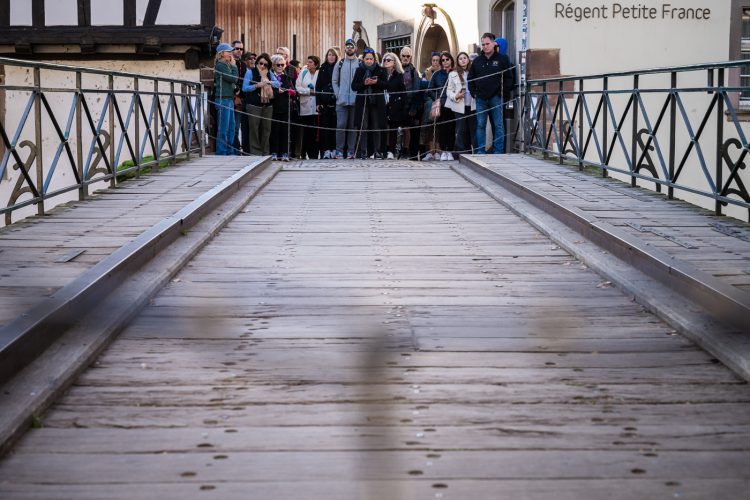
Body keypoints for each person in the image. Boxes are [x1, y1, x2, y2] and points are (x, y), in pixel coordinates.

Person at [468, 33, 512, 154]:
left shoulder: (502, 59)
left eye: (487, 44)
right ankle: (480, 151)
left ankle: (498, 151)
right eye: (483, 44)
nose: (485, 46)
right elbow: (470, 78)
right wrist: (474, 93)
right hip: (480, 98)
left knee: (498, 125)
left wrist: (502, 93)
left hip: (496, 98)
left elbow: (509, 78)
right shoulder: (477, 61)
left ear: (493, 44)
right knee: (481, 125)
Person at [351, 47, 387, 159]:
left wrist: (376, 82)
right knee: (364, 126)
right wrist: (364, 83)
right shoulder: (359, 70)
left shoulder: (381, 70)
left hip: (376, 102)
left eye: (371, 59)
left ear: (374, 59)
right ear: (363, 59)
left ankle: (377, 151)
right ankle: (363, 151)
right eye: (367, 59)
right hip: (363, 102)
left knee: (376, 126)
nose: (369, 61)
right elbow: (354, 86)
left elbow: (385, 85)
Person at [242, 52, 277, 155]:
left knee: (266, 129)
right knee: (254, 129)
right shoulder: (250, 72)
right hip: (253, 104)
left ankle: (265, 152)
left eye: (265, 64)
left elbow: (278, 83)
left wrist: (268, 82)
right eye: (260, 63)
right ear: (257, 63)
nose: (262, 66)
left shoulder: (269, 73)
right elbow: (244, 88)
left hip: (267, 105)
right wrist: (256, 86)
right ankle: (255, 152)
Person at [332, 38, 361, 159]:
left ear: (355, 48)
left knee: (353, 127)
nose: (349, 48)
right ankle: (339, 150)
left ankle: (351, 150)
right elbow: (334, 80)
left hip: (355, 100)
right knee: (341, 125)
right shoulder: (339, 63)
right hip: (342, 101)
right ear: (345, 48)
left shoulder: (359, 63)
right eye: (347, 46)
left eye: (351, 46)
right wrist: (338, 94)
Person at [447, 51, 476, 158]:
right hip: (459, 105)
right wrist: (456, 96)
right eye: (460, 58)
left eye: (465, 58)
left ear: (468, 60)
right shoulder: (453, 74)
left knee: (472, 129)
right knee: (461, 129)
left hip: (473, 104)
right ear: (458, 61)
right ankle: (461, 153)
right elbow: (448, 90)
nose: (463, 60)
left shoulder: (473, 72)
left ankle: (472, 151)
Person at [428, 51, 454, 161]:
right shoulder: (437, 74)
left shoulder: (456, 73)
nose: (445, 62)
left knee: (452, 128)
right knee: (442, 129)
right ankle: (443, 150)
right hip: (442, 105)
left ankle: (450, 151)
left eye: (447, 59)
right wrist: (437, 98)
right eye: (442, 60)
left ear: (451, 60)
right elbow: (429, 90)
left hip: (454, 105)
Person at [213, 43, 238, 155]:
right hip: (222, 99)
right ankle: (222, 152)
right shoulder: (220, 65)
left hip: (229, 99)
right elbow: (234, 79)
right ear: (222, 53)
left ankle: (229, 150)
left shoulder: (226, 64)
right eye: (228, 51)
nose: (230, 53)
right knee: (223, 128)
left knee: (231, 127)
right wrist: (234, 66)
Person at [270, 54, 295, 161]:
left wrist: (286, 91)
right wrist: (277, 91)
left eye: (282, 65)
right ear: (273, 66)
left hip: (285, 107)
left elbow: (293, 91)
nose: (280, 67)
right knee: (274, 130)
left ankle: (285, 152)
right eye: (278, 65)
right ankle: (274, 152)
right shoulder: (271, 77)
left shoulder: (286, 77)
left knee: (285, 131)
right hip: (274, 107)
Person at [315, 47, 340, 159]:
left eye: (333, 55)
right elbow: (318, 86)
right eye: (329, 55)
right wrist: (318, 102)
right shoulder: (323, 68)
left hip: (336, 102)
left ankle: (335, 149)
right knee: (325, 128)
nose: (331, 57)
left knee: (335, 127)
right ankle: (326, 150)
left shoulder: (339, 67)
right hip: (324, 102)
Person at [381, 52, 406, 159]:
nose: (386, 62)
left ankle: (391, 151)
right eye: (385, 60)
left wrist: (401, 106)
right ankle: (382, 150)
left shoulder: (399, 76)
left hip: (394, 105)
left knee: (393, 129)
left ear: (394, 62)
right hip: (382, 105)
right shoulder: (380, 74)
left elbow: (403, 92)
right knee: (382, 128)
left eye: (389, 60)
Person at [296, 55, 320, 159]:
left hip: (316, 107)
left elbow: (320, 89)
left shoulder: (319, 74)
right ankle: (303, 152)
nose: (308, 64)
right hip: (305, 107)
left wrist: (316, 93)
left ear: (316, 64)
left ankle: (314, 154)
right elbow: (298, 88)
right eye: (308, 62)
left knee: (315, 132)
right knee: (306, 132)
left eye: (310, 62)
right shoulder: (303, 73)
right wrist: (309, 92)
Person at [399, 46, 422, 159]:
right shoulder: (397, 69)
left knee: (410, 130)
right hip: (399, 105)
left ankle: (410, 152)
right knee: (400, 129)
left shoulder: (414, 72)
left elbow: (417, 91)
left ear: (411, 57)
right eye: (404, 56)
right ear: (400, 56)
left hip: (410, 105)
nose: (406, 58)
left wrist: (413, 108)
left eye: (408, 56)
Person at [420, 52, 442, 160]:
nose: (435, 63)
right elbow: (424, 86)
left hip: (440, 102)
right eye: (433, 60)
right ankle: (429, 151)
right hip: (428, 104)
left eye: (437, 60)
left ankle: (438, 150)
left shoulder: (442, 73)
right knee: (428, 127)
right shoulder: (426, 73)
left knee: (438, 127)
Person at [239, 51, 256, 154]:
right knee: (245, 127)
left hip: (253, 102)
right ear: (245, 61)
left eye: (254, 58)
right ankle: (246, 150)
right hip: (244, 101)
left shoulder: (255, 71)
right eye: (250, 58)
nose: (253, 60)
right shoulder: (243, 71)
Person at [231, 40, 245, 152]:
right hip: (227, 97)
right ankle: (230, 149)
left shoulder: (242, 64)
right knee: (228, 127)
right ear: (232, 49)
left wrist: (239, 95)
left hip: (238, 99)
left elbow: (244, 82)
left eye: (241, 49)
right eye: (237, 48)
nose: (239, 51)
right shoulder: (227, 62)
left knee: (236, 127)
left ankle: (235, 149)